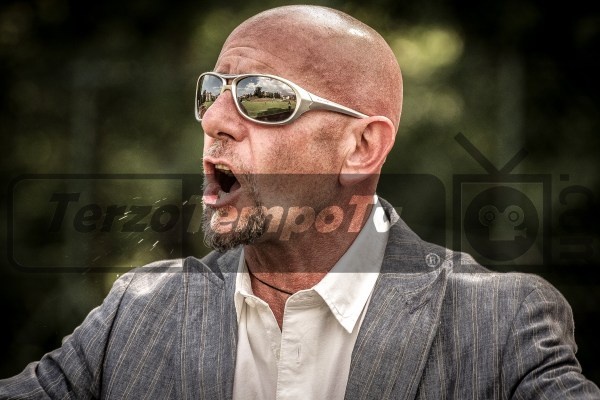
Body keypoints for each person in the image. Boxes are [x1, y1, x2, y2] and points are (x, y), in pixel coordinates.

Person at [1, 5, 599, 399]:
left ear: (362, 147)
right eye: (211, 92)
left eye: (261, 96)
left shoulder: (501, 323)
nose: (214, 120)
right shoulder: (139, 312)